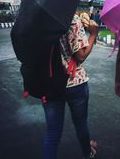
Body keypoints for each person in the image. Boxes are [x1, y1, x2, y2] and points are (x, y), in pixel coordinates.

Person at [42, 13, 99, 159]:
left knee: (52, 134)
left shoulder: (39, 19)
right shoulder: (69, 18)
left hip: (48, 84)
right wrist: (93, 34)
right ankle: (87, 153)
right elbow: (81, 55)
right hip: (74, 81)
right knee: (81, 124)